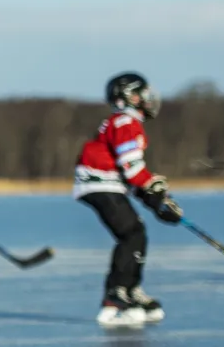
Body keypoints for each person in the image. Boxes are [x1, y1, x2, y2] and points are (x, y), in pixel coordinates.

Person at [74, 73, 180, 326]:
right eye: (142, 94)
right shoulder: (125, 123)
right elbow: (131, 169)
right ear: (130, 97)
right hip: (99, 183)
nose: (149, 99)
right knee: (131, 233)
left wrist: (154, 199)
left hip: (107, 183)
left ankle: (130, 289)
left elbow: (129, 174)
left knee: (136, 232)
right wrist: (152, 188)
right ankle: (116, 294)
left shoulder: (125, 122)